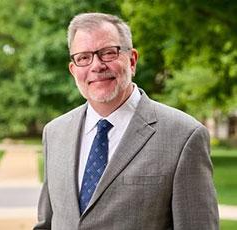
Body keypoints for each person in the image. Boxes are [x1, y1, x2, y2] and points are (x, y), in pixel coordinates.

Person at [34, 12, 219, 230]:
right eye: (83, 57)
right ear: (73, 69)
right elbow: (47, 224)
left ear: (132, 60)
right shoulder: (55, 133)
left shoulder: (184, 136)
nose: (96, 66)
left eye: (108, 53)